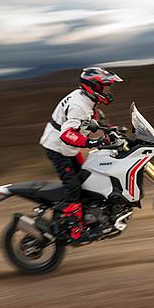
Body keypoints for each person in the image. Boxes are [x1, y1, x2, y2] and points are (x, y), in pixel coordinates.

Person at [39, 66, 123, 240]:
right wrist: (93, 142)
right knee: (74, 186)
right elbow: (66, 134)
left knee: (86, 178)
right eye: (105, 88)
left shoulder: (87, 100)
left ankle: (89, 214)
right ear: (93, 87)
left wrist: (110, 129)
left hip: (69, 148)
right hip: (57, 148)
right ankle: (74, 229)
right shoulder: (79, 105)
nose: (107, 92)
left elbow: (89, 122)